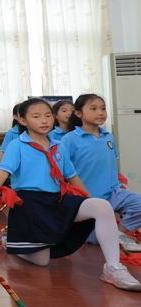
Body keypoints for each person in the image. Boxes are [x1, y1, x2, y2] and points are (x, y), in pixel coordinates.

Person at [0, 97, 141, 291]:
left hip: (57, 199)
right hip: (30, 203)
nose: (44, 120)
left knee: (101, 206)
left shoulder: (59, 146)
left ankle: (113, 268)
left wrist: (88, 200)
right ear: (23, 121)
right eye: (37, 116)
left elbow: (72, 177)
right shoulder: (18, 145)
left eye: (48, 115)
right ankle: (14, 243)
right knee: (42, 261)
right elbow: (2, 172)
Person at [60, 93, 141, 253]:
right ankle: (102, 235)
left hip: (112, 192)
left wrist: (117, 186)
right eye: (94, 108)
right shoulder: (70, 139)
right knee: (96, 240)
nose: (100, 113)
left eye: (103, 109)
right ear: (78, 114)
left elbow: (113, 164)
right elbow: (62, 171)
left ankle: (118, 233)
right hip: (85, 198)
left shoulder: (108, 136)